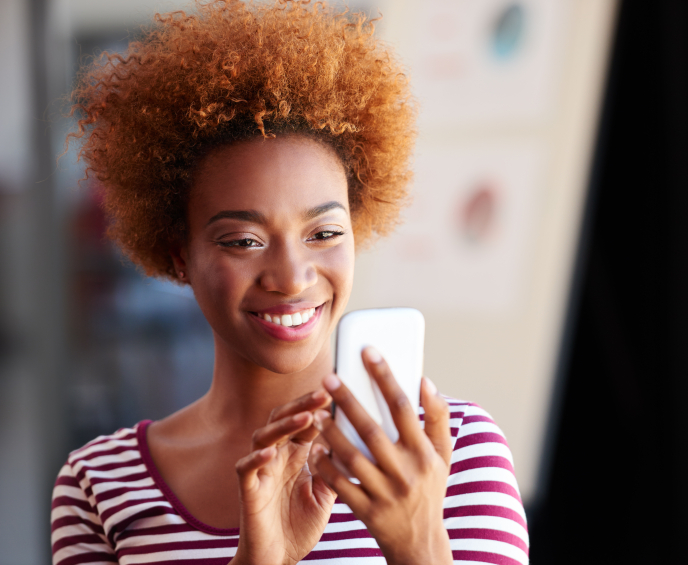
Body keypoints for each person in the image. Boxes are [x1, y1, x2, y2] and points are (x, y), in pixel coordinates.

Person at [51, 2, 528, 564]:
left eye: (323, 233)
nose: (291, 277)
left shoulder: (453, 453)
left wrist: (417, 541)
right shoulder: (100, 484)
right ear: (180, 256)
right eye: (243, 240)